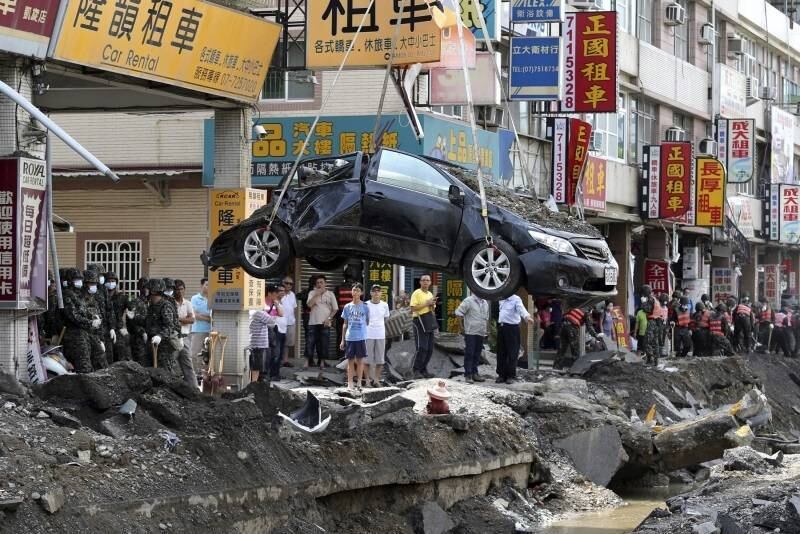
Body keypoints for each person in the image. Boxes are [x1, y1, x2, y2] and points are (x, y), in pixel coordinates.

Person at [61, 269, 96, 373]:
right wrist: (90, 322)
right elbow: (73, 316)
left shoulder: (78, 295)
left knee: (88, 366)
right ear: (70, 280)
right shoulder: (66, 295)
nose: (80, 281)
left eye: (81, 279)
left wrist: (92, 317)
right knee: (83, 367)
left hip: (83, 334)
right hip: (74, 336)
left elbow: (83, 311)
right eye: (77, 279)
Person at [497, 294, 535, 382]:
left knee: (512, 352)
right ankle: (501, 375)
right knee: (501, 352)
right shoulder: (501, 298)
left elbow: (521, 309)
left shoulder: (516, 299)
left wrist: (527, 317)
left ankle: (511, 376)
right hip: (502, 327)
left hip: (512, 328)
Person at [145, 278, 180, 374]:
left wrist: (160, 336)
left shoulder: (165, 306)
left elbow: (170, 326)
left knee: (165, 373)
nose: (146, 291)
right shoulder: (152, 306)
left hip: (164, 346)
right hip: (152, 344)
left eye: (148, 289)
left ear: (153, 291)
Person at [340, 283, 370, 390]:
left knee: (360, 361)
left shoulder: (365, 307)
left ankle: (359, 383)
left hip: (361, 337)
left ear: (361, 293)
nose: (355, 292)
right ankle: (350, 382)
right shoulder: (347, 307)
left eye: (358, 290)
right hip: (350, 337)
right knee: (350, 361)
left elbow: (367, 321)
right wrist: (342, 340)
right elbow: (345, 324)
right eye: (354, 290)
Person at [455, 292, 489, 383]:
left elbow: (486, 318)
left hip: (481, 332)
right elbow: (458, 313)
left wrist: (486, 330)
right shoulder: (468, 301)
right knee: (469, 353)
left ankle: (475, 373)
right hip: (470, 332)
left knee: (477, 354)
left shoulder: (485, 302)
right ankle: (468, 374)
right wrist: (461, 327)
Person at [305, 275, 338, 369]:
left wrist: (329, 319)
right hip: (313, 322)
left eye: (321, 282)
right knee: (310, 342)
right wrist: (317, 294)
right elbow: (309, 305)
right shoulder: (312, 293)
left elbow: (335, 309)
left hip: (325, 322)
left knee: (324, 343)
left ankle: (322, 362)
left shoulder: (330, 294)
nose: (319, 284)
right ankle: (307, 361)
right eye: (318, 283)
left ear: (325, 283)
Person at [410, 274, 437, 379]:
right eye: (423, 280)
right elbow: (412, 308)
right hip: (418, 321)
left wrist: (432, 305)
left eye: (427, 280)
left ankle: (423, 369)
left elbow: (432, 309)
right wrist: (427, 303)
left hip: (428, 320)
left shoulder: (430, 293)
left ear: (430, 282)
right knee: (421, 347)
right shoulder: (416, 293)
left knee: (430, 349)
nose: (425, 282)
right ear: (420, 282)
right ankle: (416, 370)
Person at [249, 289, 278, 383]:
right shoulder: (258, 312)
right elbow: (272, 321)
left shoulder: (253, 311)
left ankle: (254, 382)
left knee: (256, 365)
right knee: (256, 366)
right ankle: (254, 384)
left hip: (255, 342)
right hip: (258, 343)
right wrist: (266, 312)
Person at [82, 270, 109, 371]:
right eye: (91, 283)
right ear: (85, 284)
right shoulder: (80, 299)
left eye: (95, 283)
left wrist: (101, 339)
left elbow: (99, 319)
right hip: (84, 337)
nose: (94, 286)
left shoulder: (93, 299)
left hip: (95, 337)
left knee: (102, 364)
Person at [365, 284, 391, 388]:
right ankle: (367, 381)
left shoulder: (385, 305)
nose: (376, 293)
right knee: (367, 360)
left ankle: (376, 380)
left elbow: (386, 319)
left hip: (380, 334)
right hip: (368, 334)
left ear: (381, 293)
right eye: (374, 291)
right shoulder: (366, 305)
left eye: (378, 291)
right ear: (371, 293)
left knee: (380, 360)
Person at [555, 305, 594, 370]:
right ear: (590, 310)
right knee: (575, 350)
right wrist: (596, 335)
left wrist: (558, 332)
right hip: (572, 329)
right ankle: (575, 369)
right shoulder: (586, 313)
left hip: (563, 328)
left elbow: (563, 318)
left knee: (561, 349)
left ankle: (556, 368)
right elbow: (589, 327)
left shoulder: (574, 309)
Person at [174, 280, 197, 387]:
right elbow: (171, 321)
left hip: (185, 337)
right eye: (177, 289)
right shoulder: (170, 304)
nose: (179, 291)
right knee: (172, 365)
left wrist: (179, 319)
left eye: (181, 289)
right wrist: (184, 319)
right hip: (173, 338)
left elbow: (192, 319)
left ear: (184, 290)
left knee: (188, 365)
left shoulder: (187, 303)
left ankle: (194, 390)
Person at [105, 272, 132, 362]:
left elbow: (131, 309)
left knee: (122, 351)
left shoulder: (122, 297)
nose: (111, 283)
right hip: (105, 328)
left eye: (113, 281)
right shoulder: (102, 297)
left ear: (116, 283)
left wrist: (131, 312)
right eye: (109, 281)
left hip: (118, 328)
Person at [190, 279, 212, 378]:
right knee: (195, 353)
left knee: (208, 355)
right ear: (201, 286)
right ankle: (195, 374)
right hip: (198, 330)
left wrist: (203, 316)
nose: (208, 287)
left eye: (210, 285)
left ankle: (205, 375)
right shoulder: (195, 298)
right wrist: (208, 318)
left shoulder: (212, 298)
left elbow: (214, 316)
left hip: (211, 331)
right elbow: (194, 314)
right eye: (206, 285)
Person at [263, 285, 284, 381]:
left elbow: (281, 314)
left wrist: (276, 304)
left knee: (276, 353)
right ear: (269, 293)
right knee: (267, 354)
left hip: (274, 329)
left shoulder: (275, 303)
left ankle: (273, 374)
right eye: (275, 293)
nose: (277, 295)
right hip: (264, 330)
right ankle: (264, 375)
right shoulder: (262, 303)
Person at [129, 276, 150, 366]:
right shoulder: (134, 302)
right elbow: (131, 321)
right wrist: (142, 332)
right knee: (140, 363)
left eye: (147, 287)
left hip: (152, 336)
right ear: (139, 288)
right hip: (139, 338)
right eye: (143, 287)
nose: (145, 289)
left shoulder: (153, 302)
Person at [280, 276, 297, 366]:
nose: (289, 285)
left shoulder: (292, 294)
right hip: (280, 323)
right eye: (287, 283)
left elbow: (294, 308)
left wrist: (293, 319)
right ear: (283, 283)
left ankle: (285, 360)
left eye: (291, 284)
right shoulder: (279, 294)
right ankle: (278, 360)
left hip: (290, 322)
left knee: (287, 343)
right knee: (279, 342)